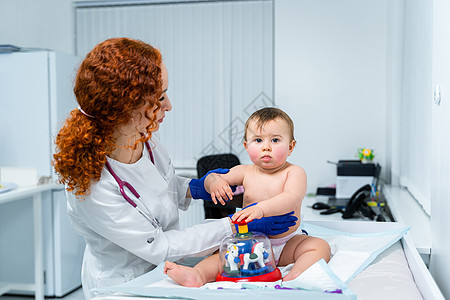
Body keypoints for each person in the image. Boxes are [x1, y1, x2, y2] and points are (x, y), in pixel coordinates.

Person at [52, 38, 297, 299]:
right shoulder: (93, 186)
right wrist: (235, 227)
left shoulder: (143, 139)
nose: (169, 105)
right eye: (159, 97)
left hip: (164, 272)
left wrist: (197, 187)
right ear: (127, 109)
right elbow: (159, 246)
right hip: (121, 286)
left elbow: (160, 187)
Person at [164, 107, 331, 286]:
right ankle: (198, 275)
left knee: (319, 246)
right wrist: (213, 182)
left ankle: (297, 273)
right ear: (246, 145)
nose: (266, 147)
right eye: (258, 140)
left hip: (287, 242)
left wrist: (260, 209)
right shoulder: (245, 172)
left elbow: (291, 198)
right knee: (220, 257)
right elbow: (214, 177)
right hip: (248, 243)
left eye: (275, 140)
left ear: (290, 147)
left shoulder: (294, 172)